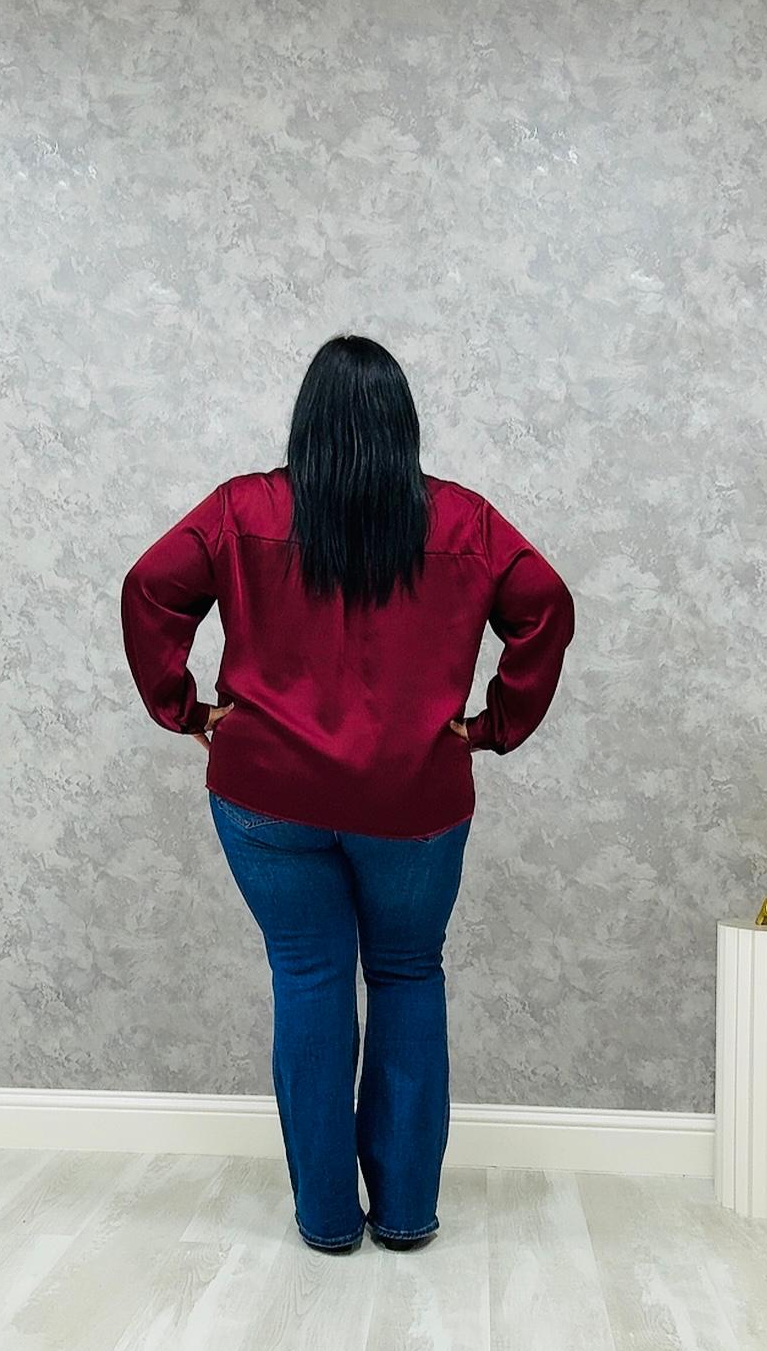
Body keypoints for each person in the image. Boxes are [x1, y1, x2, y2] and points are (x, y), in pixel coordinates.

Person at [120, 334, 575, 1256]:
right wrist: (491, 726)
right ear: (403, 423)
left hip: (266, 795)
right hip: (413, 801)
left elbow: (147, 589)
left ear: (306, 420)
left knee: (308, 976)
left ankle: (327, 1218)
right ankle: (404, 1213)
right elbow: (546, 604)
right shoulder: (464, 521)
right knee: (406, 974)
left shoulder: (243, 509)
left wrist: (185, 709)